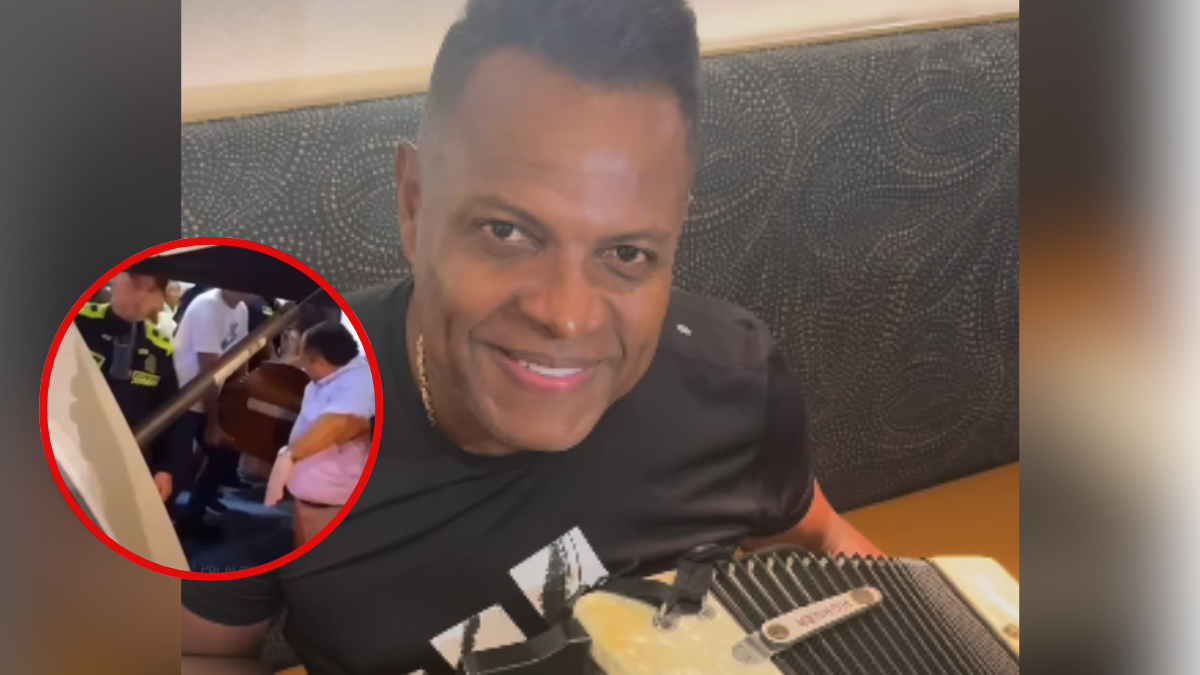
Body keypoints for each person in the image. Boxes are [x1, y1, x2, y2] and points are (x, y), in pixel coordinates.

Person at [180, 1, 880, 673]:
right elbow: (204, 651)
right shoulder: (289, 430)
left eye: (627, 252)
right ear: (414, 204)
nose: (567, 317)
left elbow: (819, 537)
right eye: (506, 232)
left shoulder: (732, 380)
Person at [73, 270, 188, 504]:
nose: (139, 296)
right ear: (115, 280)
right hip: (71, 448)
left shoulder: (160, 346)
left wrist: (165, 467)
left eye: (150, 289)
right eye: (134, 284)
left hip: (129, 455)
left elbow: (170, 412)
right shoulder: (77, 323)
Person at [263, 320, 374, 547]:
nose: (302, 365)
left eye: (305, 359)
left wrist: (288, 456)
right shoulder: (322, 379)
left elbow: (341, 423)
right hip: (308, 501)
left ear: (321, 362)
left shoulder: (360, 382)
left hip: (333, 509)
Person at [173, 287, 254, 534]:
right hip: (184, 398)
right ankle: (167, 520)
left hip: (209, 396)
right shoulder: (208, 307)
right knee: (176, 466)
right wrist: (213, 422)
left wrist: (237, 398)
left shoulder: (240, 309)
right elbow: (207, 374)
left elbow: (240, 356)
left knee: (225, 455)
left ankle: (194, 513)